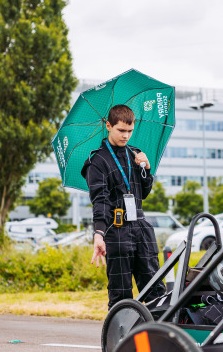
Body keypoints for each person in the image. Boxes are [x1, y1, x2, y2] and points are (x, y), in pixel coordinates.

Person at [81, 105, 165, 309]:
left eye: (129, 131)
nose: (126, 135)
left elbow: (143, 193)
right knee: (121, 295)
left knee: (157, 291)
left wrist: (147, 168)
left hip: (141, 228)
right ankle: (121, 340)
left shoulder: (136, 154)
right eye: (121, 130)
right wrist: (99, 234)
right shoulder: (97, 161)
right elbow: (100, 201)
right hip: (116, 231)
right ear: (108, 126)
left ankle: (160, 337)